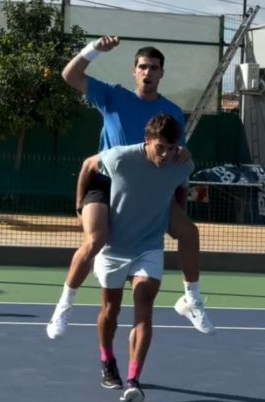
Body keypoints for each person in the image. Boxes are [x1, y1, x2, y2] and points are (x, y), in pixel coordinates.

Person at [46, 36, 214, 340]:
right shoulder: (112, 97)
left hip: (149, 191)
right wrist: (94, 50)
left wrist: (182, 168)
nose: (148, 72)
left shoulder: (172, 112)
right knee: (95, 240)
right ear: (134, 71)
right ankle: (63, 307)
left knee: (189, 233)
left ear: (161, 73)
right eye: (143, 67)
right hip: (106, 185)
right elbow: (70, 75)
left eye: (154, 68)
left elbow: (176, 157)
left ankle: (192, 300)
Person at [85, 115, 194, 402]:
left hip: (149, 246)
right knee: (110, 310)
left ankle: (133, 380)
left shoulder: (181, 165)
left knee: (144, 307)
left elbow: (181, 188)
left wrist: (174, 218)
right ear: (148, 141)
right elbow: (87, 166)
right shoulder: (120, 158)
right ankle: (107, 359)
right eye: (160, 148)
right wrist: (79, 208)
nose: (166, 154)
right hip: (114, 246)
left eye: (171, 148)